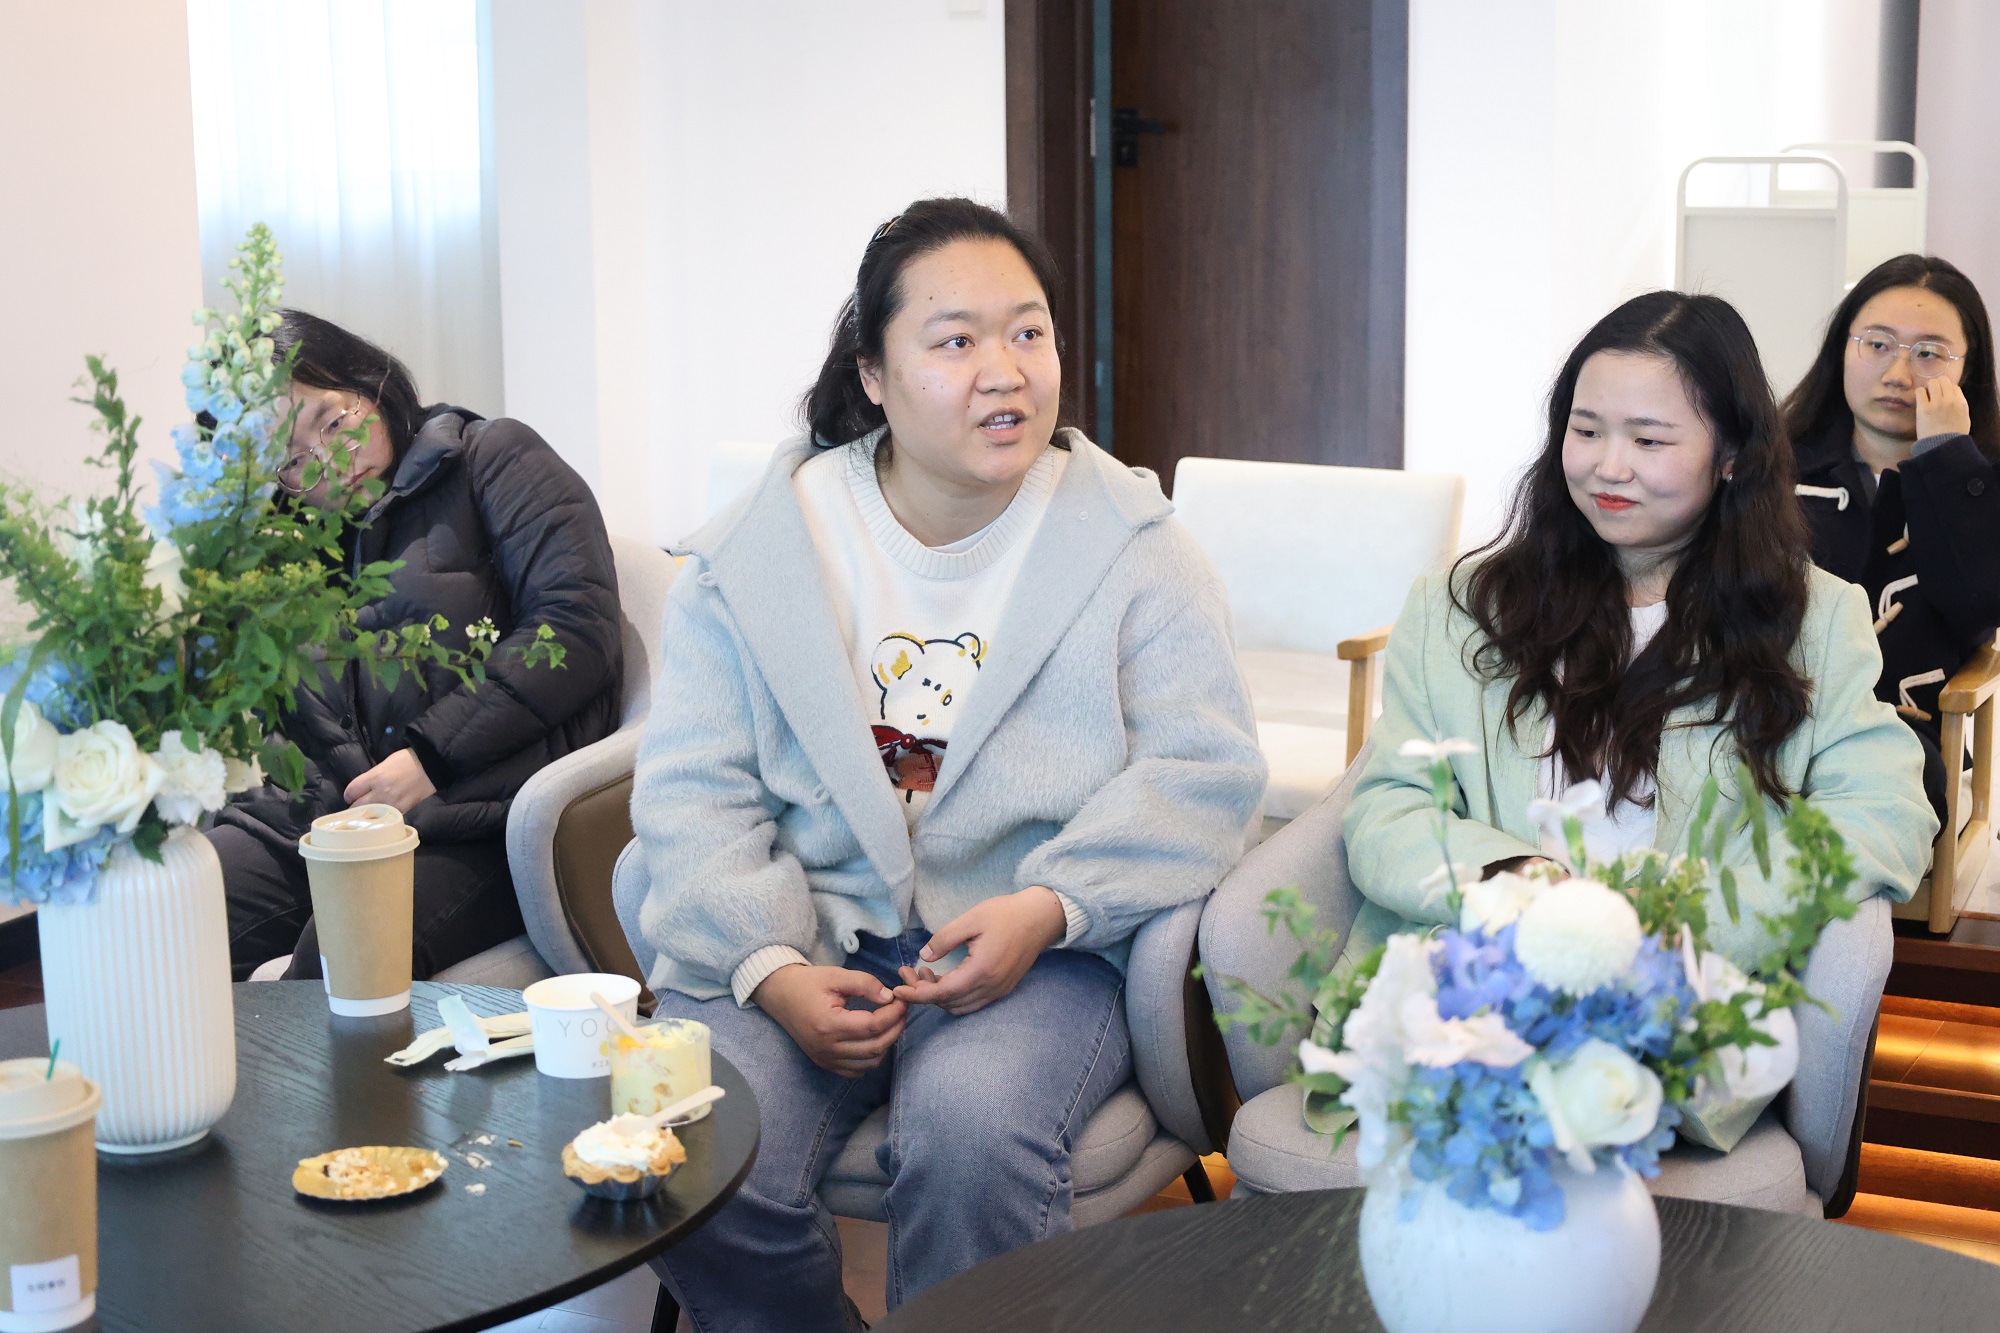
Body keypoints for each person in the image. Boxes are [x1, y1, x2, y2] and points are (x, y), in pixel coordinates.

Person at [617, 197, 1265, 1330]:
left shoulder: (1134, 544)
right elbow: (690, 789)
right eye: (955, 340)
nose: (1004, 372)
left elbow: (1202, 770)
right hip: (805, 927)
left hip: (1039, 948)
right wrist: (770, 966)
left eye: (1028, 332)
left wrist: (1049, 908)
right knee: (684, 1142)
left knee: (971, 1135)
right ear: (871, 374)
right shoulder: (762, 550)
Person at [1341, 291, 1936, 974]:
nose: (1609, 467)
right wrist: (1517, 882)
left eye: (1649, 440)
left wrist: (1684, 924)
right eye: (1587, 431)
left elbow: (1885, 809)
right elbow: (1389, 808)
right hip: (1470, 980)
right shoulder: (1465, 607)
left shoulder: (1813, 620)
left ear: (1731, 454)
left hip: (1676, 991)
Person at [217, 311, 624, 980]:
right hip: (340, 820)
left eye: (333, 422)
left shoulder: (491, 458)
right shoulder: (298, 540)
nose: (328, 463)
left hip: (479, 819)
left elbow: (575, 626)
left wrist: (432, 756)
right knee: (172, 901)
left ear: (368, 380)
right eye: (292, 461)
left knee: (346, 952)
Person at [1783, 254, 2000, 823]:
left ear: (1969, 370)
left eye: (1929, 353)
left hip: (1900, 739)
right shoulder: (1773, 466)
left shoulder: (1980, 479)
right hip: (1769, 719)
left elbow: (1978, 609)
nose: (1899, 374)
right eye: (1877, 344)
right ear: (1842, 349)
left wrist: (1946, 456)